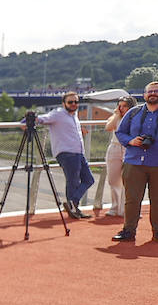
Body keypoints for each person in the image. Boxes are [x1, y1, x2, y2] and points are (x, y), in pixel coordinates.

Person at [35, 90, 94, 218]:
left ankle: (72, 203)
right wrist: (28, 121)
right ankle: (73, 207)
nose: (74, 104)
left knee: (89, 179)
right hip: (67, 153)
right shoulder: (58, 113)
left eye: (76, 102)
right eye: (70, 102)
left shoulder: (74, 116)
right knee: (73, 181)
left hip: (79, 152)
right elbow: (43, 119)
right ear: (64, 103)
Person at [111, 80, 158, 243]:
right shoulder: (134, 112)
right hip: (134, 162)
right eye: (150, 91)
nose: (153, 93)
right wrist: (131, 141)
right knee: (131, 199)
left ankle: (157, 233)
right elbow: (120, 132)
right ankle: (128, 231)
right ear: (144, 95)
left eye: (156, 91)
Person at [102, 96, 135, 216]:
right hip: (115, 147)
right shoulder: (116, 118)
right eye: (119, 105)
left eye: (124, 106)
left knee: (128, 179)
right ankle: (115, 207)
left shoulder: (135, 118)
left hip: (130, 149)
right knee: (113, 179)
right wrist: (116, 115)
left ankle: (125, 208)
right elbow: (108, 127)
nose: (121, 108)